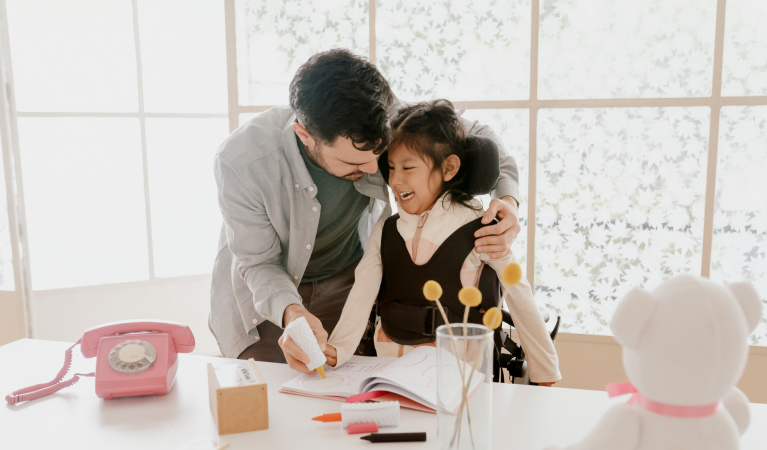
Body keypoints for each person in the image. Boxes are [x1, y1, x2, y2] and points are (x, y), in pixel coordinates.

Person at [210, 49, 523, 363]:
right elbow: (259, 264)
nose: (377, 170)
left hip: (349, 280)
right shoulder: (242, 162)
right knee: (272, 396)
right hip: (267, 294)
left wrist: (508, 201)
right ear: (305, 135)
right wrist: (291, 313)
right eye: (354, 161)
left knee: (350, 388)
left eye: (380, 152)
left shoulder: (387, 115)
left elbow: (480, 137)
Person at [281, 100, 561, 385]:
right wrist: (338, 349)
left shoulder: (483, 228)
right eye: (390, 167)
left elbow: (519, 293)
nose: (396, 180)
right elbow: (363, 290)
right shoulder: (387, 229)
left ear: (449, 169)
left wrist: (544, 370)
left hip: (461, 375)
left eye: (408, 167)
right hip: (391, 370)